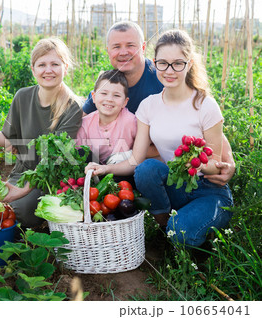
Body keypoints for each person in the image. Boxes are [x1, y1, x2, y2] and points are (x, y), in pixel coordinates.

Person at [85, 29, 233, 248]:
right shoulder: (149, 106)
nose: (169, 70)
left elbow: (214, 165)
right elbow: (136, 160)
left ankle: (190, 232)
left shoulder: (205, 105)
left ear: (189, 64)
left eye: (177, 63)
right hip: (175, 184)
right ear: (155, 63)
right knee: (146, 170)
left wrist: (194, 160)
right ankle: (166, 229)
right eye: (163, 63)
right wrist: (103, 168)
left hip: (207, 189)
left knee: (183, 234)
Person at [83, 21, 235, 186]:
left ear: (142, 47)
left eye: (130, 45)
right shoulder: (109, 84)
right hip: (132, 158)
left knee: (141, 166)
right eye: (116, 46)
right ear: (108, 51)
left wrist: (228, 159)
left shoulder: (164, 76)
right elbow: (82, 119)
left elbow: (203, 119)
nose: (123, 52)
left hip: (162, 160)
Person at [0, 37, 83, 228]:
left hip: (51, 179)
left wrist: (22, 191)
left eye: (54, 64)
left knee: (21, 210)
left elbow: (54, 159)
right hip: (23, 174)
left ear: (65, 68)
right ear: (33, 70)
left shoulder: (73, 107)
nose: (48, 70)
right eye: (41, 64)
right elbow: (8, 139)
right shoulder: (22, 97)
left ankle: (41, 223)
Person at [76, 69, 136, 184]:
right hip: (93, 171)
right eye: (104, 93)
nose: (109, 99)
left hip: (122, 173)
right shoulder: (85, 124)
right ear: (93, 97)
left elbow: (140, 154)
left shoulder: (131, 121)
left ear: (125, 102)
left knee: (128, 159)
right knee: (82, 153)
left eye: (116, 95)